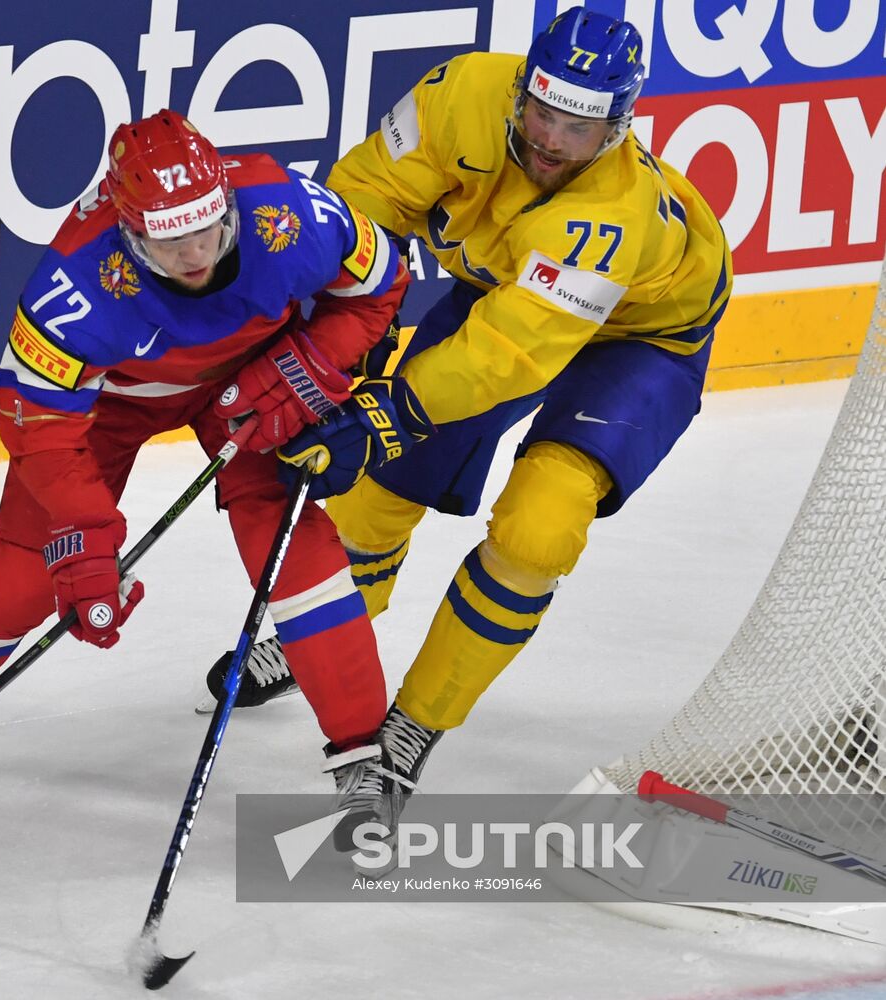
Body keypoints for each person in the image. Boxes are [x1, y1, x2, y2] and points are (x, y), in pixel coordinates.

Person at [209, 9, 733, 833]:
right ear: (521, 88)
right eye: (541, 112)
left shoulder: (610, 216)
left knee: (538, 528)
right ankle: (337, 631)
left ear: (621, 126)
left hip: (641, 341)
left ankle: (415, 723)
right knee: (383, 484)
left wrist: (384, 411)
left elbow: (508, 354)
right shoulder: (458, 93)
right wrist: (322, 332)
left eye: (580, 126)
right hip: (503, 295)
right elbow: (360, 203)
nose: (552, 141)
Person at [0, 110, 412, 813]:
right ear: (127, 234)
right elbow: (37, 424)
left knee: (287, 538)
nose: (195, 254)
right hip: (109, 407)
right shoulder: (73, 284)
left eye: (208, 229)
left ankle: (363, 753)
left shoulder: (290, 210)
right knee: (26, 567)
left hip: (253, 381)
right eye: (169, 241)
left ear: (227, 201)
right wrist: (83, 538)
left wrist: (311, 359)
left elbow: (378, 287)